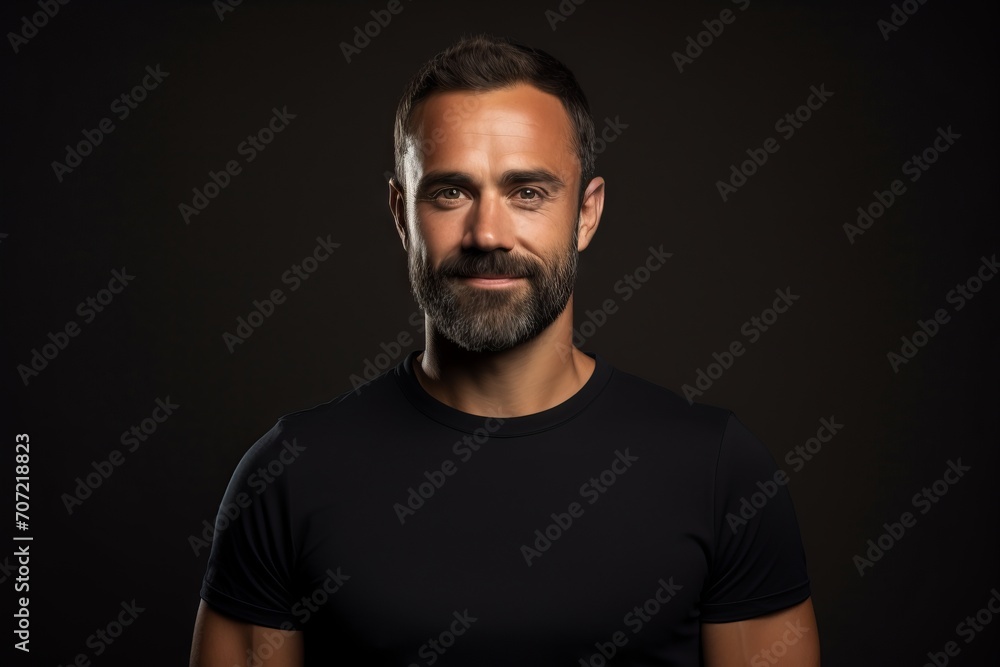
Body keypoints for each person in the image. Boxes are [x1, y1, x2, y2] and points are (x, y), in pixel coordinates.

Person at [190, 34, 820, 666]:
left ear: (587, 213)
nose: (487, 233)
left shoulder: (718, 471)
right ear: (401, 213)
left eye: (528, 192)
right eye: (450, 192)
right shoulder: (288, 477)